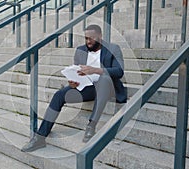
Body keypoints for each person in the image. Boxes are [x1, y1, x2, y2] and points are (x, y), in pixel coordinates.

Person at [21, 24, 127, 152]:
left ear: (100, 36)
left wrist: (96, 70)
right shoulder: (80, 50)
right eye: (86, 38)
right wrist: (73, 82)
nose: (88, 41)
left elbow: (119, 71)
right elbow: (76, 71)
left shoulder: (113, 48)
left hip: (107, 88)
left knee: (104, 79)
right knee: (59, 94)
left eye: (92, 38)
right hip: (88, 87)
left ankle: (91, 126)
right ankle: (40, 137)